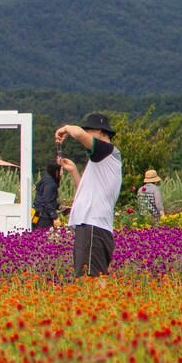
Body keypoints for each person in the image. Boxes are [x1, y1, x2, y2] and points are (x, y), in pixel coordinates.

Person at [55, 113, 122, 277]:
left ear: (100, 132)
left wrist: (65, 128)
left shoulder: (106, 150)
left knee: (91, 279)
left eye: (89, 131)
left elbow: (78, 133)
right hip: (92, 225)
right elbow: (85, 193)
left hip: (93, 225)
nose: (87, 135)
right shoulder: (102, 160)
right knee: (89, 277)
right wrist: (74, 171)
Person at [33, 160, 61, 231]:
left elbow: (42, 197)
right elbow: (47, 201)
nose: (62, 173)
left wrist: (58, 206)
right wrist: (55, 217)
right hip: (44, 216)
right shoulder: (51, 184)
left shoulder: (45, 178)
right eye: (61, 170)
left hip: (36, 212)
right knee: (43, 234)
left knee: (35, 232)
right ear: (56, 171)